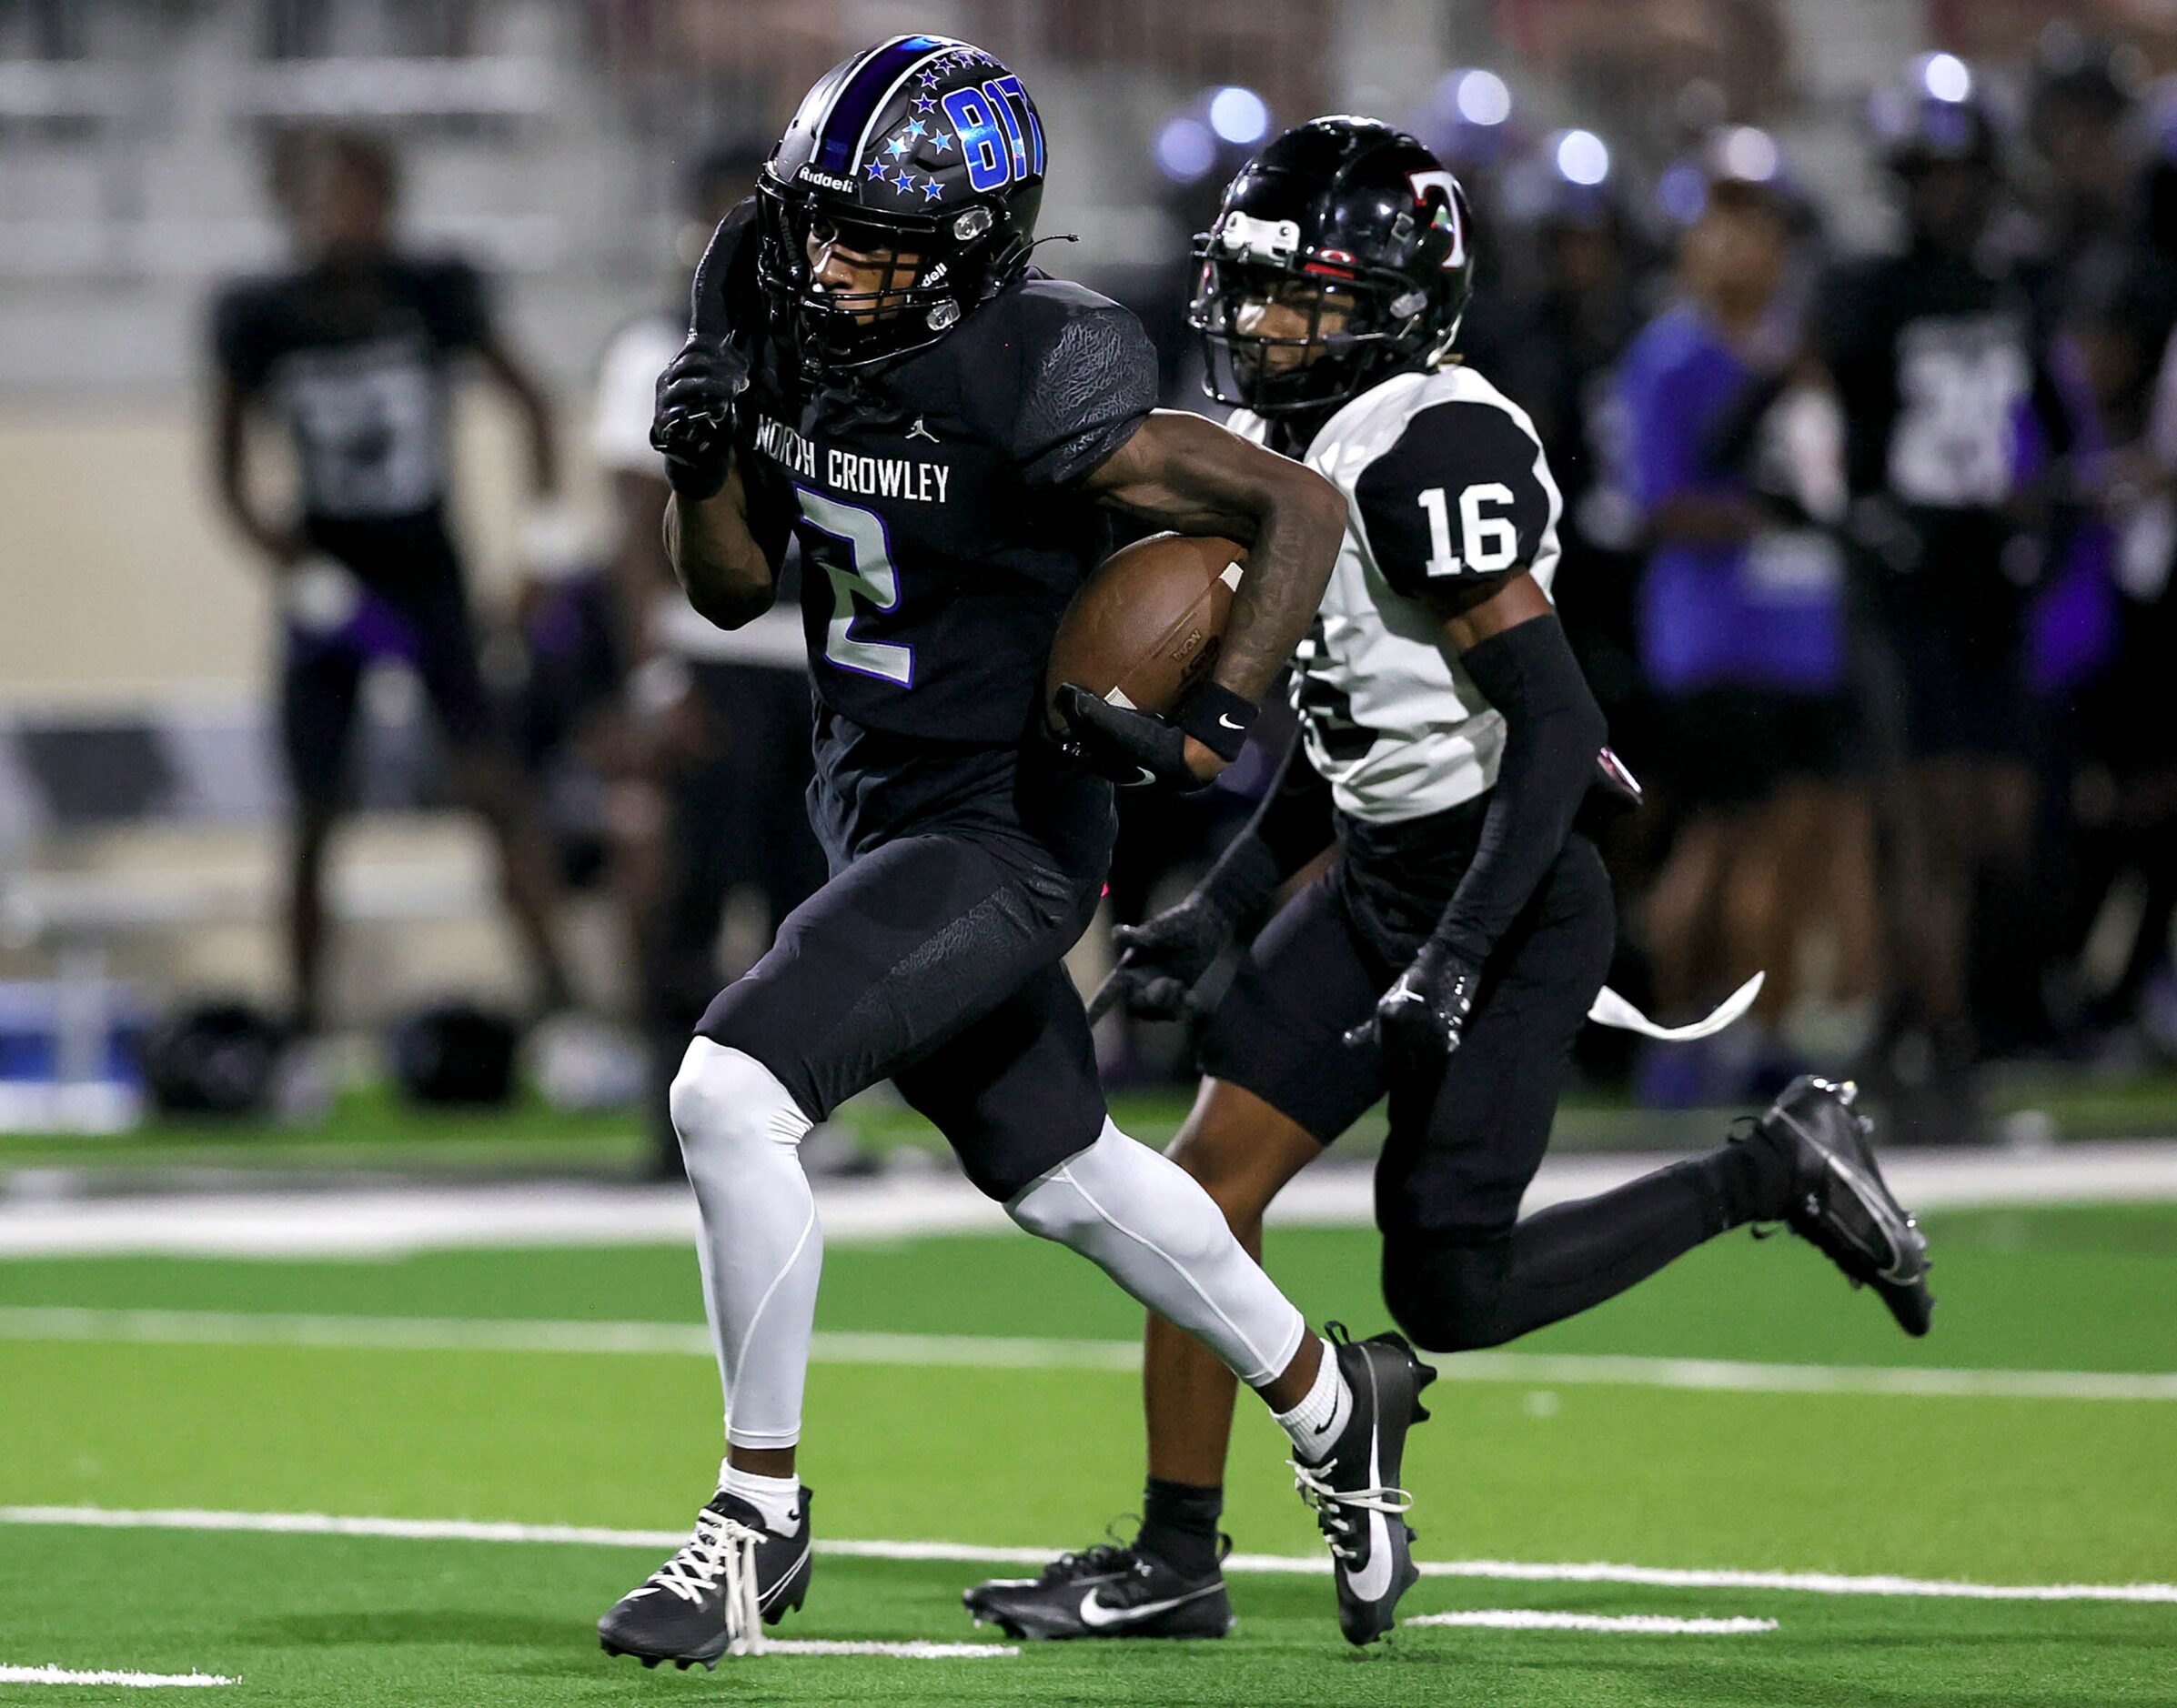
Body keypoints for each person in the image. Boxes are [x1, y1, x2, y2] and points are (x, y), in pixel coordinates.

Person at [963, 118, 1934, 1643]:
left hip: (1513, 880)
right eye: (1253, 287)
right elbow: (1362, 734)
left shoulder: (1429, 440)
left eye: (1301, 294)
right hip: (1386, 871)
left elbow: (1555, 727)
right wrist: (1219, 909)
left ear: (1395, 299)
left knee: (1449, 1292)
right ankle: (1174, 1554)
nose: (1265, 322)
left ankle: (1770, 1167)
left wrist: (1457, 954)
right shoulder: (1304, 448)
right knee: (1191, 1194)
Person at [596, 38, 1429, 1667]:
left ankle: (751, 1521)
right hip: (867, 794)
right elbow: (725, 590)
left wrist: (1219, 720)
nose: (831, 265)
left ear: (974, 248)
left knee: (726, 1090)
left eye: (877, 244)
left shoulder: (1034, 363)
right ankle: (1339, 1401)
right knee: (1062, 1173)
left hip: (1001, 820)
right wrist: (698, 467)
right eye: (820, 227)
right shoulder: (768, 299)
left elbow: (1295, 512)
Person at [207, 128, 573, 1035]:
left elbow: (530, 405)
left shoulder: (434, 293)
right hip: (328, 576)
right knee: (316, 806)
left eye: (362, 196)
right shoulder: (263, 313)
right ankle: (303, 1020)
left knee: (492, 785)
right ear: (295, 206)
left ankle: (564, 1001)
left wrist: (537, 551)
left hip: (426, 574)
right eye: (328, 198)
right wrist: (300, 576)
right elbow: (226, 476)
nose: (346, 217)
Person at [1825, 64, 2074, 1122]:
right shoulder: (1871, 291)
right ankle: (1942, 1037)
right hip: (1910, 576)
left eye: (1954, 170)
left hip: (1992, 581)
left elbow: (2059, 429)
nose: (1941, 193)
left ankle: (1922, 1018)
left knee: (1994, 824)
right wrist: (1865, 523)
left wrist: (2044, 515)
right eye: (1924, 173)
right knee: (1923, 822)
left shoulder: (2020, 285)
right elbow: (1824, 420)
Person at [591, 142, 825, 1173]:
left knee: (807, 907)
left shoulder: (838, 347)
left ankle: (792, 1124)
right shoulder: (655, 348)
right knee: (687, 899)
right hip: (711, 661)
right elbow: (631, 542)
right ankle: (666, 1117)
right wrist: (653, 680)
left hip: (820, 657)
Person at [1620, 159, 1877, 1099]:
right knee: (1727, 843)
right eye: (1723, 230)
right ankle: (1688, 1030)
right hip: (1716, 635)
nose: (1743, 249)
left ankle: (1761, 1029)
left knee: (1796, 844)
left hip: (1800, 633)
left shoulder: (1793, 352)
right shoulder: (1670, 357)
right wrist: (1763, 516)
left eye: (1759, 231)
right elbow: (1653, 504)